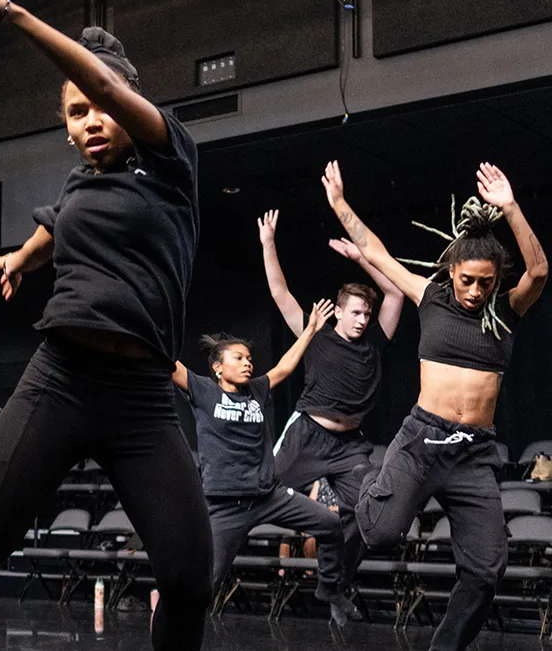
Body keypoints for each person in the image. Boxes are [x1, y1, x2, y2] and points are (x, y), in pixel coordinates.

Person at [0, 0, 210, 645]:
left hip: (140, 398)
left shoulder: (172, 160)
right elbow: (58, 222)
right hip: (63, 379)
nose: (89, 122)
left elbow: (111, 89)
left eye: (99, 107)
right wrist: (24, 258)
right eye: (74, 113)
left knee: (191, 575)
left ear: (131, 104)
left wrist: (10, 11)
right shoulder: (83, 180)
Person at [324, 160, 546, 651]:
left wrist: (509, 206)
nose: (474, 291)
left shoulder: (507, 312)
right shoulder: (431, 297)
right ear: (451, 271)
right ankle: (364, 488)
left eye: (485, 282)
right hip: (423, 440)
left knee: (487, 570)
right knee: (381, 534)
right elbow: (376, 254)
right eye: (467, 280)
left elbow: (541, 269)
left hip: (474, 455)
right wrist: (340, 206)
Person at [173, 301, 358, 625]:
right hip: (225, 505)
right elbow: (167, 363)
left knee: (330, 525)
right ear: (218, 367)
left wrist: (311, 329)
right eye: (239, 358)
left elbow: (284, 368)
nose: (248, 364)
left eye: (249, 358)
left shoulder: (256, 390)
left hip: (268, 496)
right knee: (207, 586)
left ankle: (329, 589)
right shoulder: (203, 391)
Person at [259, 209, 404, 582]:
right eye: (355, 312)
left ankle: (334, 581)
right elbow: (280, 292)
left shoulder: (375, 338)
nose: (362, 320)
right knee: (259, 493)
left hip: (349, 446)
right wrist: (268, 243)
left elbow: (395, 290)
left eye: (366, 314)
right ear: (337, 311)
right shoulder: (316, 335)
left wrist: (361, 257)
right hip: (308, 434)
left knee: (366, 512)